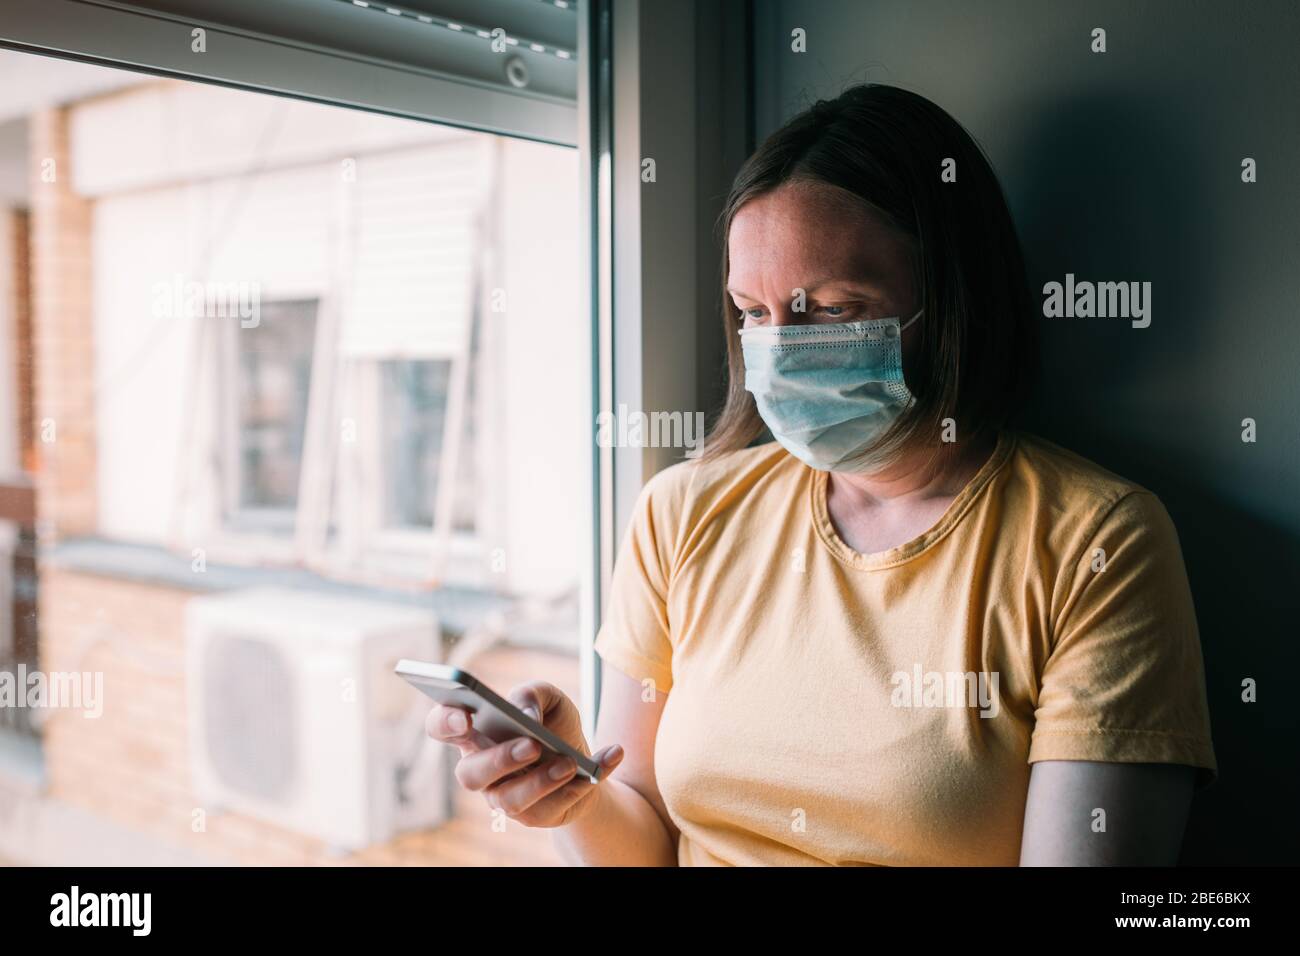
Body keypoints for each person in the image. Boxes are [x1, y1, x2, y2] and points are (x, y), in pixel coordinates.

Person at [425, 84, 1217, 866]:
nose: (780, 350)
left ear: (948, 301)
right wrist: (573, 790)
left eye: (832, 308)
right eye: (753, 314)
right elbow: (644, 839)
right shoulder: (681, 513)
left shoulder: (1097, 544)